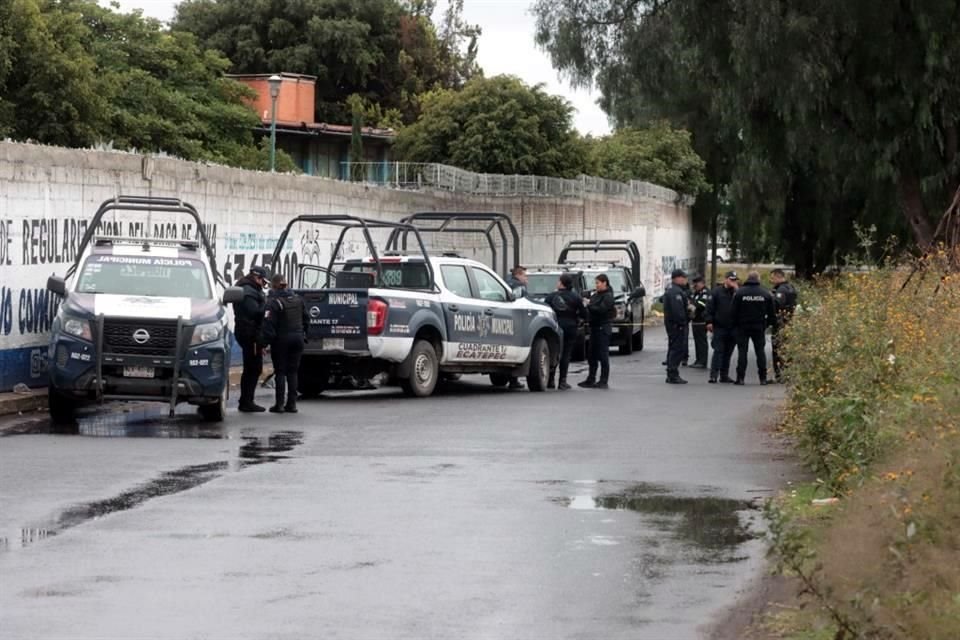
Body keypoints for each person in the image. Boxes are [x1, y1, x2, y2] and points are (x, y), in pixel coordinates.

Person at [260, 273, 308, 413]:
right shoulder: (298, 299)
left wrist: (264, 343)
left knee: (280, 372)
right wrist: (304, 334)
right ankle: (292, 404)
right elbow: (307, 319)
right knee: (293, 372)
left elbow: (268, 325)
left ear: (273, 285)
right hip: (298, 339)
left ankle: (279, 405)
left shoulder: (274, 302)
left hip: (281, 340)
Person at [233, 265, 269, 412]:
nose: (263, 285)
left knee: (252, 368)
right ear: (257, 278)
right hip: (250, 334)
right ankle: (247, 401)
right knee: (253, 368)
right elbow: (254, 313)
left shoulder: (250, 289)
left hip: (251, 333)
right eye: (263, 281)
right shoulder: (248, 292)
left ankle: (246, 400)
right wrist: (266, 308)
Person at [732, 270, 777, 385]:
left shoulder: (740, 293)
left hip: (742, 326)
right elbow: (772, 313)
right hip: (759, 326)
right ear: (758, 279)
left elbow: (733, 311)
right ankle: (763, 378)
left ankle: (740, 378)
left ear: (748, 278)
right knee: (760, 352)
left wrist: (735, 325)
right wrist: (768, 325)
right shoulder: (765, 293)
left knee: (742, 352)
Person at [545, 273, 588, 390]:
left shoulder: (551, 296)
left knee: (553, 352)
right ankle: (562, 381)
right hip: (570, 327)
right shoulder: (575, 297)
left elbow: (545, 310)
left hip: (555, 327)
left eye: (559, 281)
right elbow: (584, 313)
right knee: (566, 354)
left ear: (561, 283)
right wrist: (578, 319)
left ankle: (550, 380)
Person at [579, 274, 615, 389]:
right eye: (596, 283)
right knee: (591, 355)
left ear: (604, 283)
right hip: (594, 328)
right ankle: (591, 378)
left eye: (598, 283)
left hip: (603, 328)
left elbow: (601, 310)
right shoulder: (595, 295)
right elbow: (591, 308)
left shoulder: (608, 296)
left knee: (603, 355)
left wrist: (589, 305)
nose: (596, 285)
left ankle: (603, 380)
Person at [705, 271, 739, 383]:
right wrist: (709, 321)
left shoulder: (737, 292)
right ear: (725, 279)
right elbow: (709, 308)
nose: (733, 282)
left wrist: (737, 290)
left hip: (733, 327)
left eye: (735, 280)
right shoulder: (716, 292)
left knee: (728, 352)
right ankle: (713, 375)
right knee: (718, 351)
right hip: (719, 326)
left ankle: (724, 375)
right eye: (731, 279)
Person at [662, 269, 691, 384]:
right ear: (677, 278)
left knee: (674, 348)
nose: (685, 280)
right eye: (683, 277)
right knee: (677, 349)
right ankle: (673, 374)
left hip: (673, 325)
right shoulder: (675, 292)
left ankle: (671, 373)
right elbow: (677, 311)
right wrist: (683, 322)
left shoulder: (674, 290)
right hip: (676, 325)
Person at [770, 268, 798, 383]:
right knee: (787, 349)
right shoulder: (791, 288)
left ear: (778, 276)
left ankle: (780, 375)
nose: (771, 280)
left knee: (778, 349)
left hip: (781, 323)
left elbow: (777, 304)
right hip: (789, 322)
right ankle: (788, 374)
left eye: (772, 278)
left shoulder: (781, 290)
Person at [505, 265, 528, 389]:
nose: (526, 279)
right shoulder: (519, 286)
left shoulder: (506, 282)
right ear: (518, 275)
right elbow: (522, 302)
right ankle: (514, 381)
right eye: (525, 276)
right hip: (516, 320)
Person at [689, 274, 711, 368]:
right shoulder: (697, 293)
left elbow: (701, 304)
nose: (694, 286)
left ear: (702, 283)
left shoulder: (705, 293)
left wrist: (692, 306)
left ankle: (702, 361)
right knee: (697, 342)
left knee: (701, 342)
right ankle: (698, 360)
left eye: (696, 284)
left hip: (702, 321)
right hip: (695, 320)